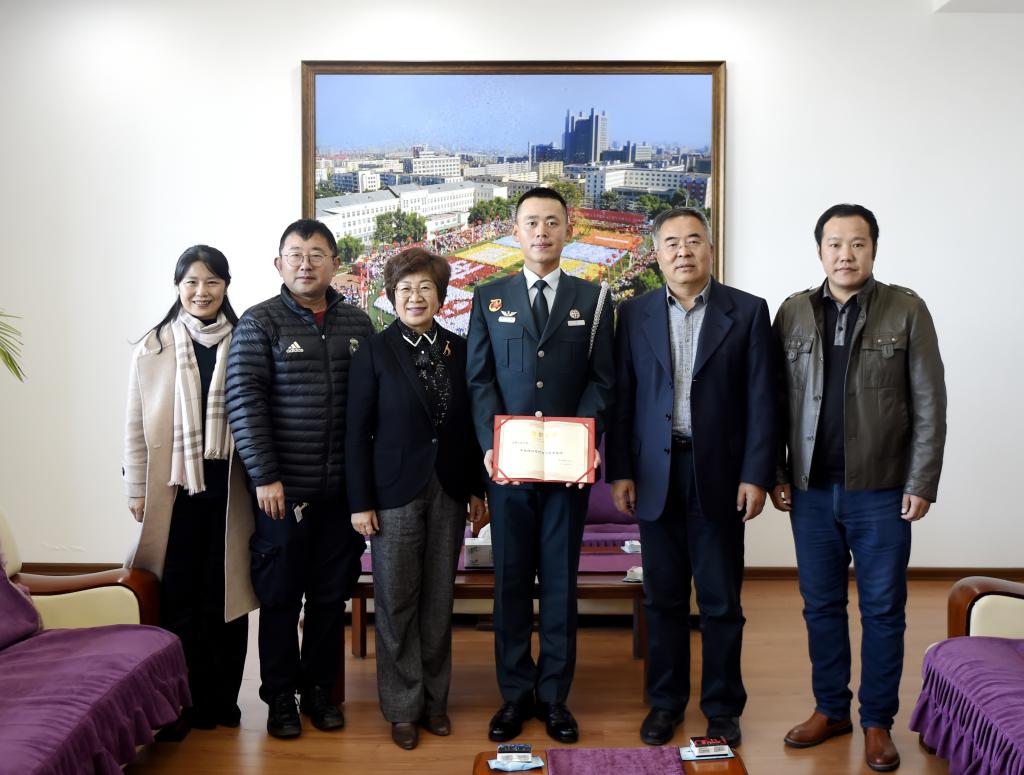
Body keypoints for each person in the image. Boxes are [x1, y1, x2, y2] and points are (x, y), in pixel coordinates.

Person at [771, 204, 946, 772]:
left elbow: (929, 402)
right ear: (819, 250)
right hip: (811, 491)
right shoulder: (793, 312)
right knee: (820, 606)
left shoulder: (906, 309)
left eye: (858, 244)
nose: (845, 254)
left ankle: (877, 722)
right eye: (835, 244)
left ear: (874, 248)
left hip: (882, 490)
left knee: (883, 610)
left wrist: (921, 480)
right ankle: (831, 710)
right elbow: (773, 402)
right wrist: (777, 472)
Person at [605, 207, 775, 748]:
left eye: (694, 240)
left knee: (721, 601)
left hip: (719, 473)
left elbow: (763, 401)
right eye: (672, 243)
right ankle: (665, 702)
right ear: (656, 255)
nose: (684, 251)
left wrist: (756, 475)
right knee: (664, 598)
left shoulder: (748, 312)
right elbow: (623, 398)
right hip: (655, 472)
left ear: (710, 249)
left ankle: (723, 707)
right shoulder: (633, 314)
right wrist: (620, 471)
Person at [466, 187, 615, 744]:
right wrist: (489, 440)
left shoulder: (593, 299)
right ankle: (514, 695)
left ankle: (554, 697)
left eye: (552, 222)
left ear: (568, 230)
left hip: (567, 469)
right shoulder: (490, 297)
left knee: (558, 583)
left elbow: (603, 380)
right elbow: (480, 379)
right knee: (509, 582)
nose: (542, 232)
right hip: (508, 468)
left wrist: (587, 432)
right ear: (515, 230)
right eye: (531, 222)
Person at [225, 219, 372, 739]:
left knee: (331, 599)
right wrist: (265, 476)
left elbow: (372, 407)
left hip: (341, 496)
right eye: (295, 255)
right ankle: (280, 699)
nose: (305, 264)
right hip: (281, 495)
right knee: (281, 600)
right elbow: (243, 402)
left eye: (316, 254)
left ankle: (319, 693)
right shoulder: (258, 322)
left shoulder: (358, 323)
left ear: (335, 262)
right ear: (279, 264)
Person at [346, 247, 485, 750]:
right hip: (392, 495)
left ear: (441, 296)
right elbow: (356, 433)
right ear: (391, 296)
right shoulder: (374, 352)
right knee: (396, 603)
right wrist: (360, 502)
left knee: (438, 601)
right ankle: (402, 707)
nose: (415, 296)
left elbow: (471, 428)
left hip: (449, 490)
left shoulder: (460, 349)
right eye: (405, 288)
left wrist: (477, 489)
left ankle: (434, 701)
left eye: (425, 287)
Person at [123, 245, 258, 729]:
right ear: (178, 286)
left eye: (212, 282)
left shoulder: (246, 340)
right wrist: (136, 488)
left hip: (230, 491)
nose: (202, 292)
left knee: (226, 596)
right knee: (177, 597)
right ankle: (177, 705)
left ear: (226, 286)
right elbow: (135, 424)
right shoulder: (154, 345)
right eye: (192, 282)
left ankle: (221, 701)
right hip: (173, 490)